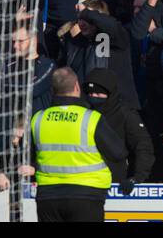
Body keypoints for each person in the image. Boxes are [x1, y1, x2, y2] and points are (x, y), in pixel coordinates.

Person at [29, 67, 129, 222]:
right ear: (77, 87)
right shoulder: (90, 118)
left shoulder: (38, 119)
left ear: (53, 89)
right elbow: (118, 152)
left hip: (48, 195)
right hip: (87, 194)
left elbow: (27, 155)